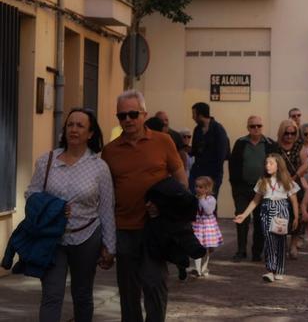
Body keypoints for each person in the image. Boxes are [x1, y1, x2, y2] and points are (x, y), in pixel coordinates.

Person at [102, 90, 187, 322]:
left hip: (154, 228)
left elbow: (181, 180)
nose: (127, 120)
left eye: (132, 114)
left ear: (144, 114)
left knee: (154, 284)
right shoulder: (109, 151)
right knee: (128, 292)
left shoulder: (163, 141)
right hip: (124, 229)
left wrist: (168, 207)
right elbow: (105, 195)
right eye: (122, 116)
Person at [25, 107, 116, 322]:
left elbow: (106, 208)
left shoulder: (99, 167)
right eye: (70, 124)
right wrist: (52, 206)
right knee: (51, 295)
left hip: (87, 238)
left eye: (80, 125)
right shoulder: (46, 161)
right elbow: (31, 194)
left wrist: (110, 247)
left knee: (82, 295)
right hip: (52, 237)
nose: (74, 129)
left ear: (90, 133)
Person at [233, 153, 299, 283]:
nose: (267, 166)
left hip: (281, 210)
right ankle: (270, 269)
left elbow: (294, 200)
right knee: (269, 240)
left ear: (278, 166)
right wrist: (244, 215)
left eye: (271, 163)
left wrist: (296, 216)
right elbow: (255, 201)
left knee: (280, 240)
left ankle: (279, 269)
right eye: (266, 163)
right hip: (266, 210)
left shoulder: (287, 181)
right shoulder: (263, 181)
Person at [229, 116, 279, 261]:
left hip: (263, 189)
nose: (256, 128)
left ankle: (257, 252)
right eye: (252, 126)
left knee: (260, 220)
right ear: (248, 128)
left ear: (262, 127)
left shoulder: (270, 144)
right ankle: (241, 250)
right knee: (241, 217)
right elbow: (233, 165)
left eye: (258, 126)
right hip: (242, 188)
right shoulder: (240, 143)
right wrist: (235, 185)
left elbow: (276, 166)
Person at [275, 119, 308, 259]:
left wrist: (294, 177)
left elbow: (305, 164)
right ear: (281, 133)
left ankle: (293, 244)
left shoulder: (299, 146)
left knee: (297, 216)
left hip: (295, 184)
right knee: (280, 215)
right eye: (286, 133)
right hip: (279, 185)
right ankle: (279, 245)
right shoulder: (275, 146)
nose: (289, 136)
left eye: (292, 133)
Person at [188, 102, 229, 198]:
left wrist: (213, 176)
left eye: (194, 114)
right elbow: (194, 150)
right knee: (195, 201)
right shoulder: (197, 129)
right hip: (198, 172)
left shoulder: (218, 129)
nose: (192, 117)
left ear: (200, 115)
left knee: (210, 202)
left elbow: (222, 154)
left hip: (213, 174)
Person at [189, 176, 221, 278]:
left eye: (200, 187)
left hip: (207, 225)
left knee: (206, 248)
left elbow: (208, 211)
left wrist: (202, 199)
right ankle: (197, 269)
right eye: (196, 186)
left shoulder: (211, 199)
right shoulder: (194, 198)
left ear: (207, 189)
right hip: (197, 225)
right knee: (197, 246)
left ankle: (204, 267)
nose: (197, 189)